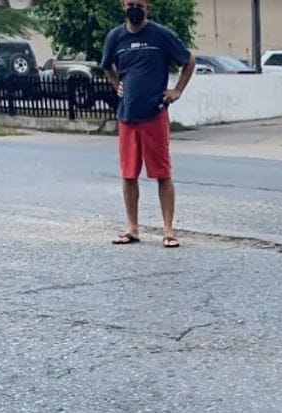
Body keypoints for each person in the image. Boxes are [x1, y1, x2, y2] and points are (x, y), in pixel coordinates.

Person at [101, 0, 196, 248]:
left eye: (140, 4)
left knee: (162, 174)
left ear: (147, 7)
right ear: (123, 6)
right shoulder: (115, 37)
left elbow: (189, 61)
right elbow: (106, 65)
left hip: (155, 114)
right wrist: (115, 83)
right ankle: (132, 227)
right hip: (127, 116)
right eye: (131, 3)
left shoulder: (161, 35)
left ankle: (168, 231)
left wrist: (177, 90)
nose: (135, 8)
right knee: (129, 174)